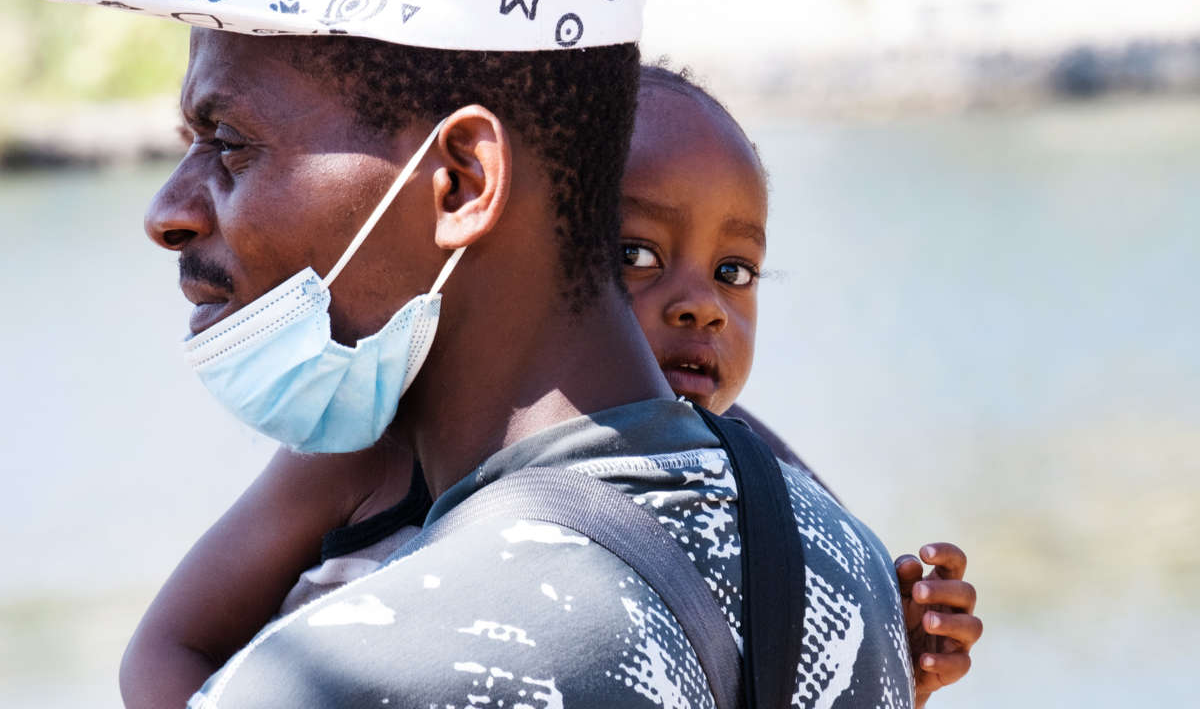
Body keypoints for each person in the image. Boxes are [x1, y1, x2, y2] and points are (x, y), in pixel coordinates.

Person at [29, 0, 926, 706]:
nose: (168, 212)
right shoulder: (846, 573)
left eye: (228, 143)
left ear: (462, 180)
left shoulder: (349, 677)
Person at [119, 64, 983, 708]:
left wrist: (898, 638)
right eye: (637, 256)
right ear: (548, 256)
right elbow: (168, 645)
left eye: (734, 270)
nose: (703, 308)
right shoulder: (376, 440)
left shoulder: (751, 468)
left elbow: (800, 638)